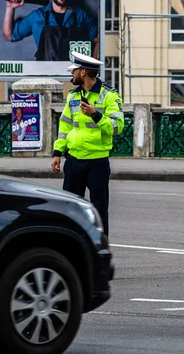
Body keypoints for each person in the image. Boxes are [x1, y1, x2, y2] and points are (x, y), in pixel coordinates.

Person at [50, 51, 124, 236]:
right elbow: (65, 126)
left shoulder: (109, 96)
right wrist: (57, 152)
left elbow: (117, 127)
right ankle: (71, 247)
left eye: (74, 70)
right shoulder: (73, 96)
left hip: (97, 162)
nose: (71, 74)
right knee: (70, 209)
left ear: (82, 72)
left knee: (99, 210)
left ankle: (100, 247)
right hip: (73, 161)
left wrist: (95, 114)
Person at [3, 0, 99, 61]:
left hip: (72, 74)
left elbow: (97, 41)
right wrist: (10, 8)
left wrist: (91, 69)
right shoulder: (37, 16)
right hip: (45, 74)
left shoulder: (80, 16)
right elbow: (9, 35)